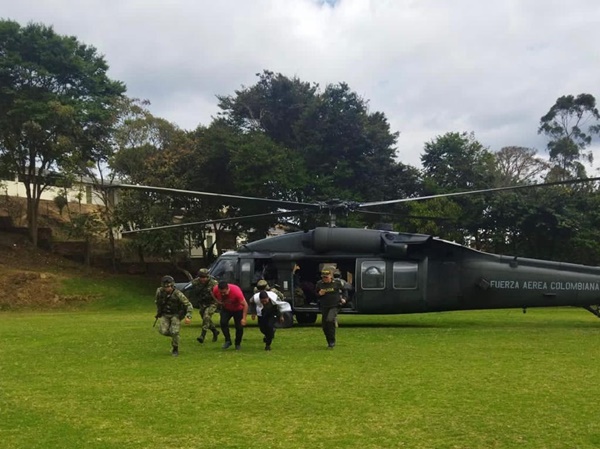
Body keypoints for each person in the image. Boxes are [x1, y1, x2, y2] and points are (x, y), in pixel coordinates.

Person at [155, 275, 193, 356]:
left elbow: (188, 304)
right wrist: (159, 312)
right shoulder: (159, 291)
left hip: (176, 314)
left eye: (169, 286)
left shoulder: (177, 293)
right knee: (163, 331)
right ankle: (175, 336)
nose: (167, 289)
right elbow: (157, 302)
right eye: (165, 287)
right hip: (165, 314)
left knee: (175, 331)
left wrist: (188, 316)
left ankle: (175, 348)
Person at [212, 280, 248, 350]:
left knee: (239, 327)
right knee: (223, 322)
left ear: (228, 289)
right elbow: (213, 295)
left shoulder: (236, 292)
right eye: (221, 292)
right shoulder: (215, 289)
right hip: (226, 309)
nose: (222, 294)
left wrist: (244, 318)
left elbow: (245, 305)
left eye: (224, 292)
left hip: (238, 309)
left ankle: (237, 344)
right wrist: (218, 302)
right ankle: (228, 341)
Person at [189, 268, 220, 344]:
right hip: (203, 303)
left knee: (206, 316)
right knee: (206, 319)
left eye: (205, 277)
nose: (203, 279)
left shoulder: (213, 283)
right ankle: (215, 331)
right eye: (201, 277)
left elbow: (218, 293)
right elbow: (191, 290)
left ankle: (202, 335)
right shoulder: (196, 282)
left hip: (212, 303)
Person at [315, 269, 344, 349]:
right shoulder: (319, 284)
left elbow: (345, 291)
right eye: (323, 277)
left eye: (326, 277)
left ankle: (332, 342)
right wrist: (319, 294)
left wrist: (344, 298)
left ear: (331, 276)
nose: (325, 279)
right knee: (325, 326)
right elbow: (315, 294)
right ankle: (329, 341)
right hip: (324, 306)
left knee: (330, 320)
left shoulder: (337, 283)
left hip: (335, 305)